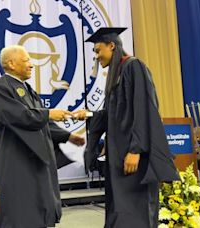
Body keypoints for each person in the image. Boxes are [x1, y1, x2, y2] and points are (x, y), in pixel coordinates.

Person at [74, 27, 180, 228]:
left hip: (132, 159)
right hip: (118, 158)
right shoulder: (116, 74)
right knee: (121, 211)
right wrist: (89, 115)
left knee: (135, 212)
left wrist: (136, 149)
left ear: (112, 46)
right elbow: (113, 115)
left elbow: (144, 109)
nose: (96, 56)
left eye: (98, 50)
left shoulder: (134, 67)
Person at [0, 45, 85, 227]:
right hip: (16, 157)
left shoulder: (29, 90)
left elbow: (41, 121)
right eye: (26, 61)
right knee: (20, 210)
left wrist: (68, 135)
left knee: (38, 207)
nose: (31, 65)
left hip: (36, 158)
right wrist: (48, 114)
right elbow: (16, 115)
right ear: (11, 64)